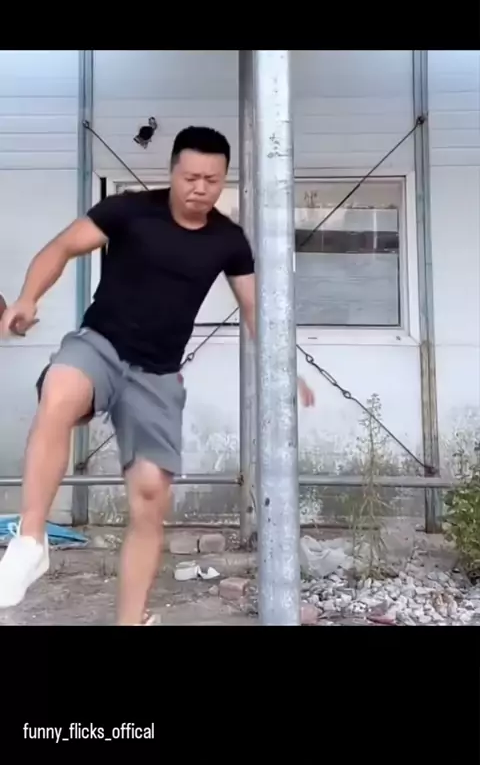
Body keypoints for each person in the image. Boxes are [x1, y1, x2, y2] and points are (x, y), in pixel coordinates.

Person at [0, 126, 315, 624]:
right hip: (100, 346)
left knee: (149, 498)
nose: (200, 189)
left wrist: (285, 369)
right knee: (59, 391)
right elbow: (60, 248)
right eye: (190, 177)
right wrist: (27, 298)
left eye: (212, 180)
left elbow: (257, 310)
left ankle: (132, 620)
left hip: (158, 376)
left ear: (223, 179)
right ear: (171, 172)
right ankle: (31, 541)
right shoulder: (128, 211)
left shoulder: (228, 241)